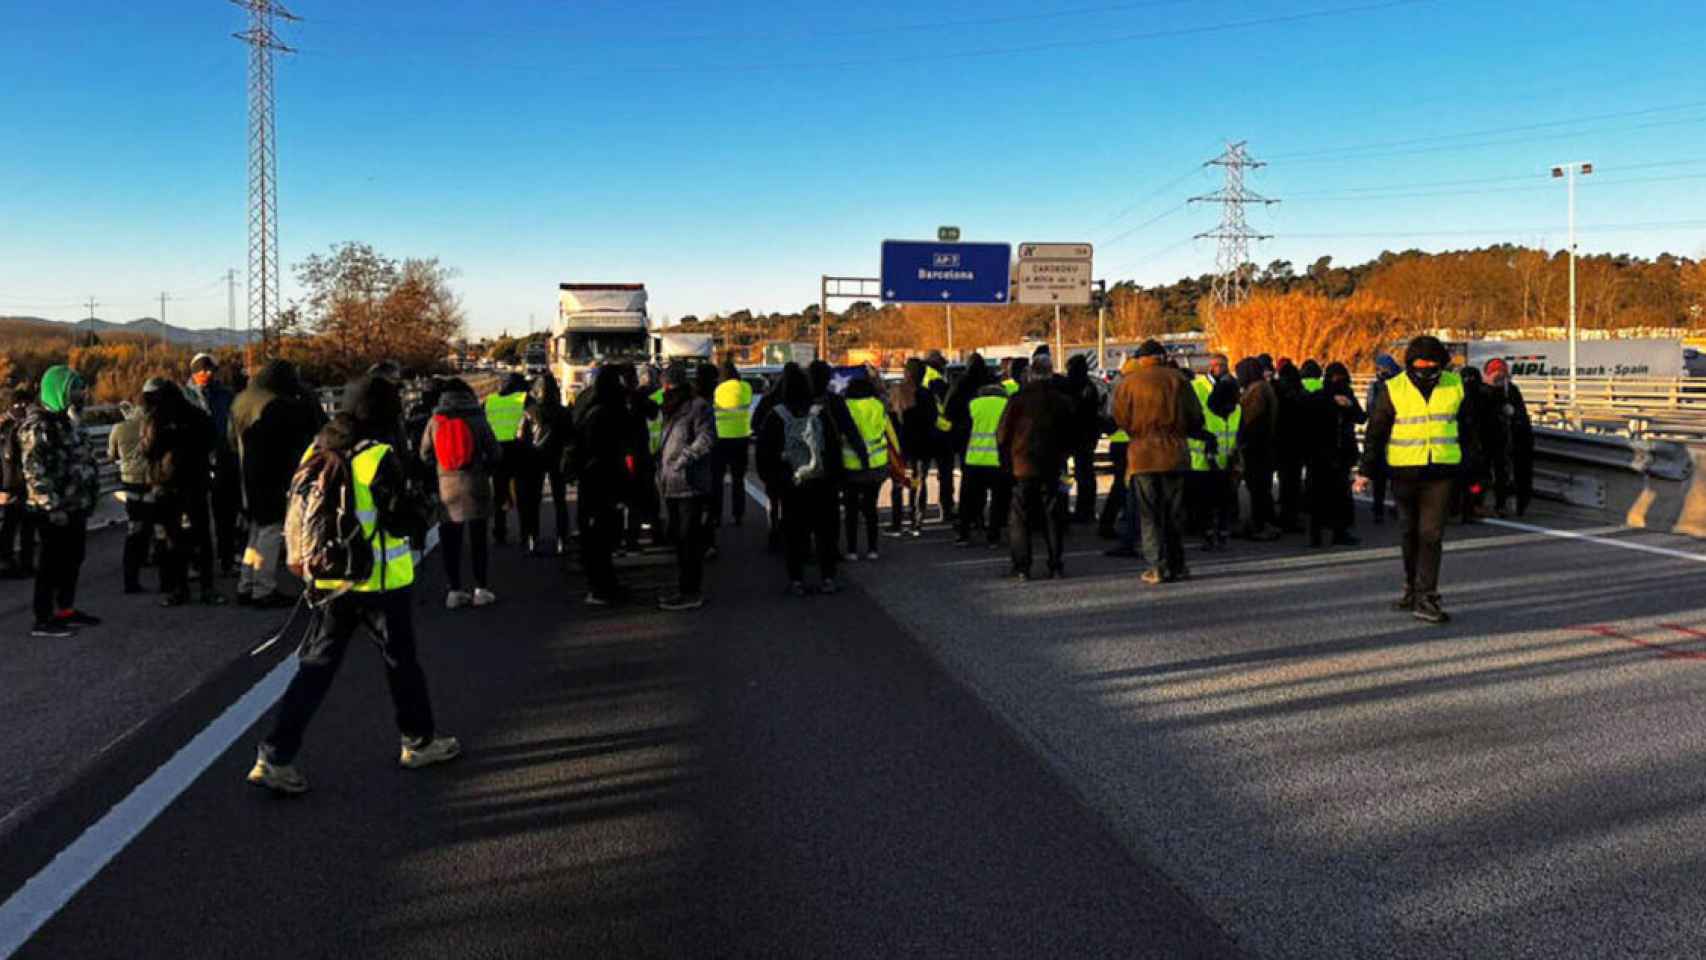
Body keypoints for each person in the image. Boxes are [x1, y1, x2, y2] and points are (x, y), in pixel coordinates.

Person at [247, 374, 459, 795]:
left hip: (328, 580)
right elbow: (402, 519)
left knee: (316, 667)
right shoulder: (377, 456)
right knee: (401, 662)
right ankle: (418, 742)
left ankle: (275, 756)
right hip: (379, 581)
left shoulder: (317, 448)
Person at [1354, 335, 1480, 624]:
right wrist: (1365, 471)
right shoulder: (1394, 388)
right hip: (1404, 472)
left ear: (1441, 365)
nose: (1425, 369)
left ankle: (1427, 596)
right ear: (1409, 364)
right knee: (1409, 532)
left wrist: (1474, 469)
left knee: (1431, 535)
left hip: (1442, 472)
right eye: (1420, 364)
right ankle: (1412, 586)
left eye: (1432, 365)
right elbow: (1376, 433)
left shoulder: (1455, 385)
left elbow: (1469, 430)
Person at [1114, 340, 1211, 585]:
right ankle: (1178, 565)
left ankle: (1156, 566)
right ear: (1162, 356)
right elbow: (1195, 417)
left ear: (1141, 358)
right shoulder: (1177, 380)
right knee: (1173, 513)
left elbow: (1120, 418)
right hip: (1174, 453)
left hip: (1142, 455)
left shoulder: (1129, 383)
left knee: (1149, 514)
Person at [229, 359, 324, 608]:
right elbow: (297, 438)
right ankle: (263, 588)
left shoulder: (242, 401)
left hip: (246, 471)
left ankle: (246, 584)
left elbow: (230, 439)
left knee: (256, 530)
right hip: (271, 474)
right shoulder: (277, 406)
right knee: (270, 530)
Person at [19, 366, 101, 638]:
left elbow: (84, 457)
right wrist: (51, 505)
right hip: (53, 509)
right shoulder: (38, 425)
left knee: (74, 558)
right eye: (73, 389)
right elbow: (34, 471)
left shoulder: (70, 421)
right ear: (59, 391)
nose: (80, 394)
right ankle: (43, 618)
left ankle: (65, 608)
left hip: (75, 504)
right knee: (51, 563)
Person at [756, 363, 843, 596]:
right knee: (825, 531)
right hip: (821, 482)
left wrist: (774, 480)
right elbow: (834, 448)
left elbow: (764, 453)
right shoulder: (820, 412)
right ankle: (827, 577)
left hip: (791, 483)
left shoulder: (776, 415)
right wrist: (835, 479)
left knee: (794, 532)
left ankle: (796, 580)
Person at [420, 378, 502, 609]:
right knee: (478, 540)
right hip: (476, 485)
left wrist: (440, 470)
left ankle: (454, 590)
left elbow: (424, 454)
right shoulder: (478, 418)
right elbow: (495, 453)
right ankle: (480, 589)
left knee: (451, 541)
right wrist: (484, 469)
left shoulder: (435, 421)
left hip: (447, 488)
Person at [143, 378, 224, 607]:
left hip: (167, 484)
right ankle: (208, 588)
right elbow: (211, 440)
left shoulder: (156, 418)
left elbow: (147, 449)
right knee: (202, 535)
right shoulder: (197, 414)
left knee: (172, 538)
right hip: (196, 480)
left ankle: (179, 589)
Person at [994, 356, 1074, 580]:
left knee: (1020, 515)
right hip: (1052, 464)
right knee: (1053, 514)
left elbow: (1002, 434)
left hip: (1023, 465)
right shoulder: (1061, 401)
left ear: (1030, 373)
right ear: (1050, 373)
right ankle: (1056, 564)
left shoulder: (1018, 400)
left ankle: (1022, 567)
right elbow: (1071, 433)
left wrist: (1006, 461)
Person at [572, 365, 637, 605]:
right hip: (604, 480)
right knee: (603, 537)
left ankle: (603, 585)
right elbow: (614, 448)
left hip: (592, 481)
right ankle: (603, 588)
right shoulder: (609, 412)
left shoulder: (587, 406)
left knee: (597, 538)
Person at [655, 364, 716, 610]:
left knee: (689, 541)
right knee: (679, 541)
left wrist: (684, 458)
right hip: (670, 483)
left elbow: (707, 437)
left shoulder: (697, 406)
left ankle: (691, 592)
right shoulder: (668, 408)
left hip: (689, 483)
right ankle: (685, 588)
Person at [184, 353, 241, 577]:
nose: (206, 374)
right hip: (195, 461)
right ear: (193, 372)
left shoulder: (225, 395)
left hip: (224, 458)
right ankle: (197, 561)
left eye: (209, 370)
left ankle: (227, 558)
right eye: (201, 370)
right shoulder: (185, 396)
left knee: (226, 513)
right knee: (196, 516)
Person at [1303, 363, 1364, 548]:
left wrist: (1348, 405)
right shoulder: (1319, 398)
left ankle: (1336, 532)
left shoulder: (1345, 396)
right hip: (1322, 452)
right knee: (1322, 494)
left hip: (1338, 452)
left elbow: (1361, 417)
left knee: (1337, 494)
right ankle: (1319, 533)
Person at [840, 374, 893, 561]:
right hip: (876, 465)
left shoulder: (845, 407)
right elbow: (887, 430)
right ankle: (872, 549)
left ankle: (852, 550)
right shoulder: (878, 406)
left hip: (850, 466)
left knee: (851, 509)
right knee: (871, 508)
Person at [956, 373, 1012, 548]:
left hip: (974, 460)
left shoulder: (973, 405)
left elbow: (963, 430)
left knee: (967, 500)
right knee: (997, 501)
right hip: (998, 461)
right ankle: (993, 537)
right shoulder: (1007, 405)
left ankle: (964, 534)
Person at [520, 372, 572, 556]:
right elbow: (570, 437)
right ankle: (561, 539)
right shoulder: (564, 412)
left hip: (535, 458)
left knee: (534, 501)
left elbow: (521, 436)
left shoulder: (530, 411)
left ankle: (533, 538)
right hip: (557, 458)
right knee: (560, 501)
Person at [1190, 377, 1244, 550]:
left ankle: (1221, 533)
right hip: (1201, 465)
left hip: (1225, 464)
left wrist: (1235, 456)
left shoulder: (1237, 411)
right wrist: (1206, 441)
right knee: (1204, 504)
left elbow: (1237, 435)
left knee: (1224, 501)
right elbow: (1191, 433)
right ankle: (1207, 534)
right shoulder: (1204, 412)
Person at [887, 358, 939, 538]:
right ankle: (917, 522)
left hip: (902, 444)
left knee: (899, 483)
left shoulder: (898, 392)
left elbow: (891, 418)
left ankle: (896, 523)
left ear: (907, 373)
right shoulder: (927, 394)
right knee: (919, 481)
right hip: (923, 444)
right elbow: (934, 419)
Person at [108, 399, 153, 594]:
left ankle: (130, 578)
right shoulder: (151, 426)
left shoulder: (119, 428)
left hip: (130, 480)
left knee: (134, 527)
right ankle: (160, 569)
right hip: (150, 480)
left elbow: (112, 455)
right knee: (154, 524)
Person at [1234, 358, 1282, 541]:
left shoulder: (1257, 390)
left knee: (1259, 487)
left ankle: (1262, 524)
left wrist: (1244, 440)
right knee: (1259, 487)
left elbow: (1253, 420)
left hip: (1257, 447)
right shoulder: (1260, 388)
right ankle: (1260, 522)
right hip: (1261, 446)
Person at [1483, 358, 1534, 517]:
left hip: (1507, 440)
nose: (1499, 378)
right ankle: (1477, 502)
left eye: (1502, 374)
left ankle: (1503, 504)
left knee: (1503, 473)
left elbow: (1522, 417)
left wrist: (1513, 414)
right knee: (1483, 472)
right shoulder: (1481, 391)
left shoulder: (1511, 391)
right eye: (1495, 374)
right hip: (1486, 439)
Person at [483, 372, 530, 545]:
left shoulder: (490, 401)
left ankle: (499, 533)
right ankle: (526, 534)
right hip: (519, 450)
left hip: (496, 452)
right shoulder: (524, 398)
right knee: (522, 495)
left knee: (499, 495)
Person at [711, 358, 753, 532]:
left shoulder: (718, 389)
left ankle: (716, 516)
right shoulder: (746, 387)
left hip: (720, 439)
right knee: (738, 479)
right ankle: (738, 514)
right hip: (742, 438)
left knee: (717, 480)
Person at [0, 382, 37, 579]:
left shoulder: (9, 425)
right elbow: (9, 456)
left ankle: (15, 562)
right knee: (21, 526)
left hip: (13, 484)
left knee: (14, 525)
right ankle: (19, 563)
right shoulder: (15, 427)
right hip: (17, 484)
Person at [749, 371, 787, 552]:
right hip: (796, 459)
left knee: (773, 498)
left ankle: (774, 533)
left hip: (771, 455)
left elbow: (754, 424)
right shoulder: (804, 402)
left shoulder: (768, 401)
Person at [1062, 355, 1102, 524]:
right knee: (1085, 475)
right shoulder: (1090, 386)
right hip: (1087, 436)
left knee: (1069, 474)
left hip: (1071, 435)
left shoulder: (1069, 386)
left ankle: (1067, 507)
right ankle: (1086, 509)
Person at [1365, 354, 1402, 523]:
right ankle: (1389, 506)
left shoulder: (1378, 387)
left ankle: (1380, 507)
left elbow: (1370, 409)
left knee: (1383, 475)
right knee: (1391, 474)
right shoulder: (1399, 385)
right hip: (1393, 433)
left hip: (1385, 432)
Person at [1272, 361, 1308, 533]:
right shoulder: (1302, 393)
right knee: (1293, 481)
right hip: (1298, 443)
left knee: (1286, 481)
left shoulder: (1277, 392)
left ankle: (1286, 516)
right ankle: (1293, 515)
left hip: (1281, 442)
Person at [921, 351, 955, 522]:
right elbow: (947, 406)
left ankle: (919, 512)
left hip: (924, 432)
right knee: (945, 474)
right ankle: (946, 509)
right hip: (942, 432)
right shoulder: (938, 380)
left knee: (921, 475)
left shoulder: (920, 377)